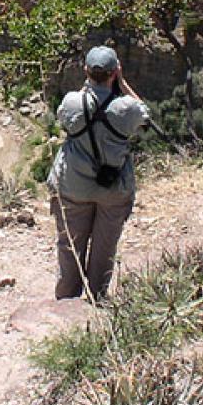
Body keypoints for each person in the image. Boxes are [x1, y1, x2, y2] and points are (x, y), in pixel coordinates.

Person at [48, 45, 148, 301]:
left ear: (86, 71)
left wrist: (88, 89)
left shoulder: (72, 101)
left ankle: (66, 301)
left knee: (70, 247)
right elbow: (144, 115)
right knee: (105, 248)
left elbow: (63, 118)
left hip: (73, 187)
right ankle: (96, 300)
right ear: (115, 72)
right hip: (113, 191)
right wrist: (122, 84)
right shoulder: (127, 109)